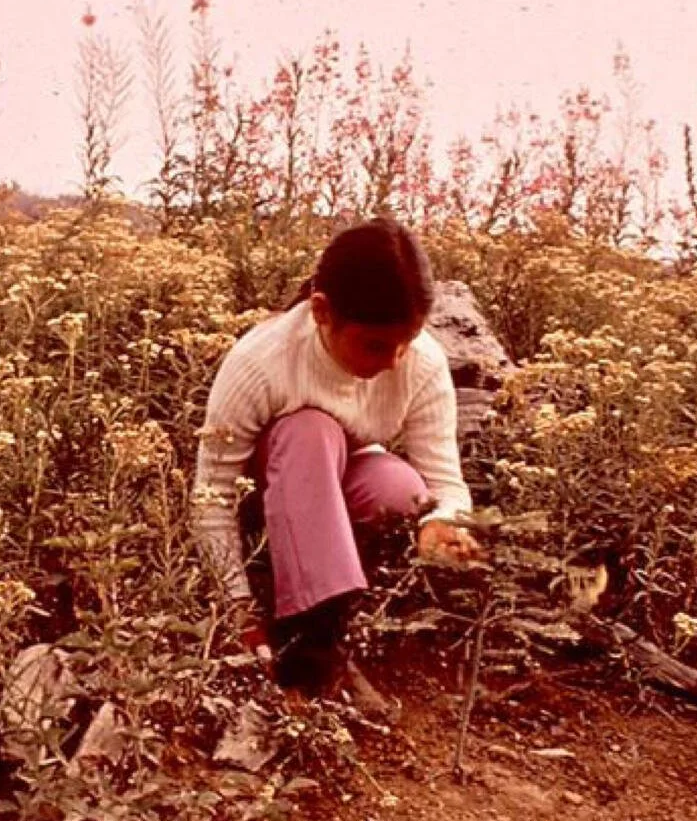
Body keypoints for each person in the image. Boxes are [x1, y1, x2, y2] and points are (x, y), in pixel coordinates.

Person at [192, 218, 483, 703]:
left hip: (339, 484)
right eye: (375, 345)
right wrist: (237, 608)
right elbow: (212, 497)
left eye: (404, 344)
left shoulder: (422, 362)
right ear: (322, 311)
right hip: (266, 505)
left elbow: (447, 485)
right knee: (310, 431)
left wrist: (441, 524)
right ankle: (309, 645)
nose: (393, 361)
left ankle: (349, 620)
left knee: (404, 491)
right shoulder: (262, 362)